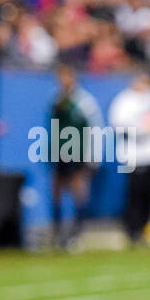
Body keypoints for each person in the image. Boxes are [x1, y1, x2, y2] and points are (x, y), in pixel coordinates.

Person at [108, 68, 150, 243]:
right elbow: (119, 124)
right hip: (134, 153)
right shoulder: (124, 100)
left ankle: (144, 227)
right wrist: (143, 129)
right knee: (135, 192)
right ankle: (132, 229)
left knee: (149, 193)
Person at [48, 64, 104, 249]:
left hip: (78, 153)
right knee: (56, 191)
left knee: (78, 190)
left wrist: (92, 156)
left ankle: (76, 233)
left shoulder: (84, 102)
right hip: (60, 153)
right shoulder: (57, 100)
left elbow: (95, 128)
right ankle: (57, 232)